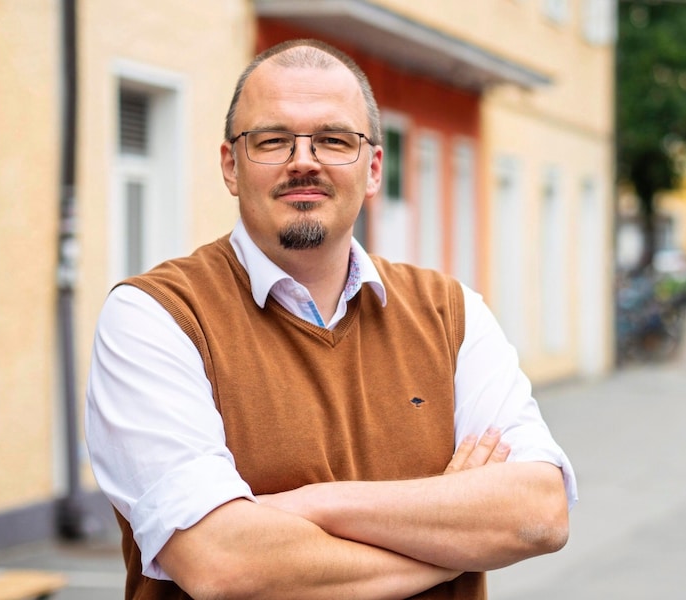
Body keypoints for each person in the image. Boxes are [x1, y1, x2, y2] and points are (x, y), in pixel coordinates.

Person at [85, 39, 577, 600]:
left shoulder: (450, 312)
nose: (304, 160)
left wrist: (310, 505)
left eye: (333, 140)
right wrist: (450, 543)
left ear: (372, 169)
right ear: (230, 166)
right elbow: (222, 563)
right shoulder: (157, 316)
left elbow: (540, 511)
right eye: (272, 140)